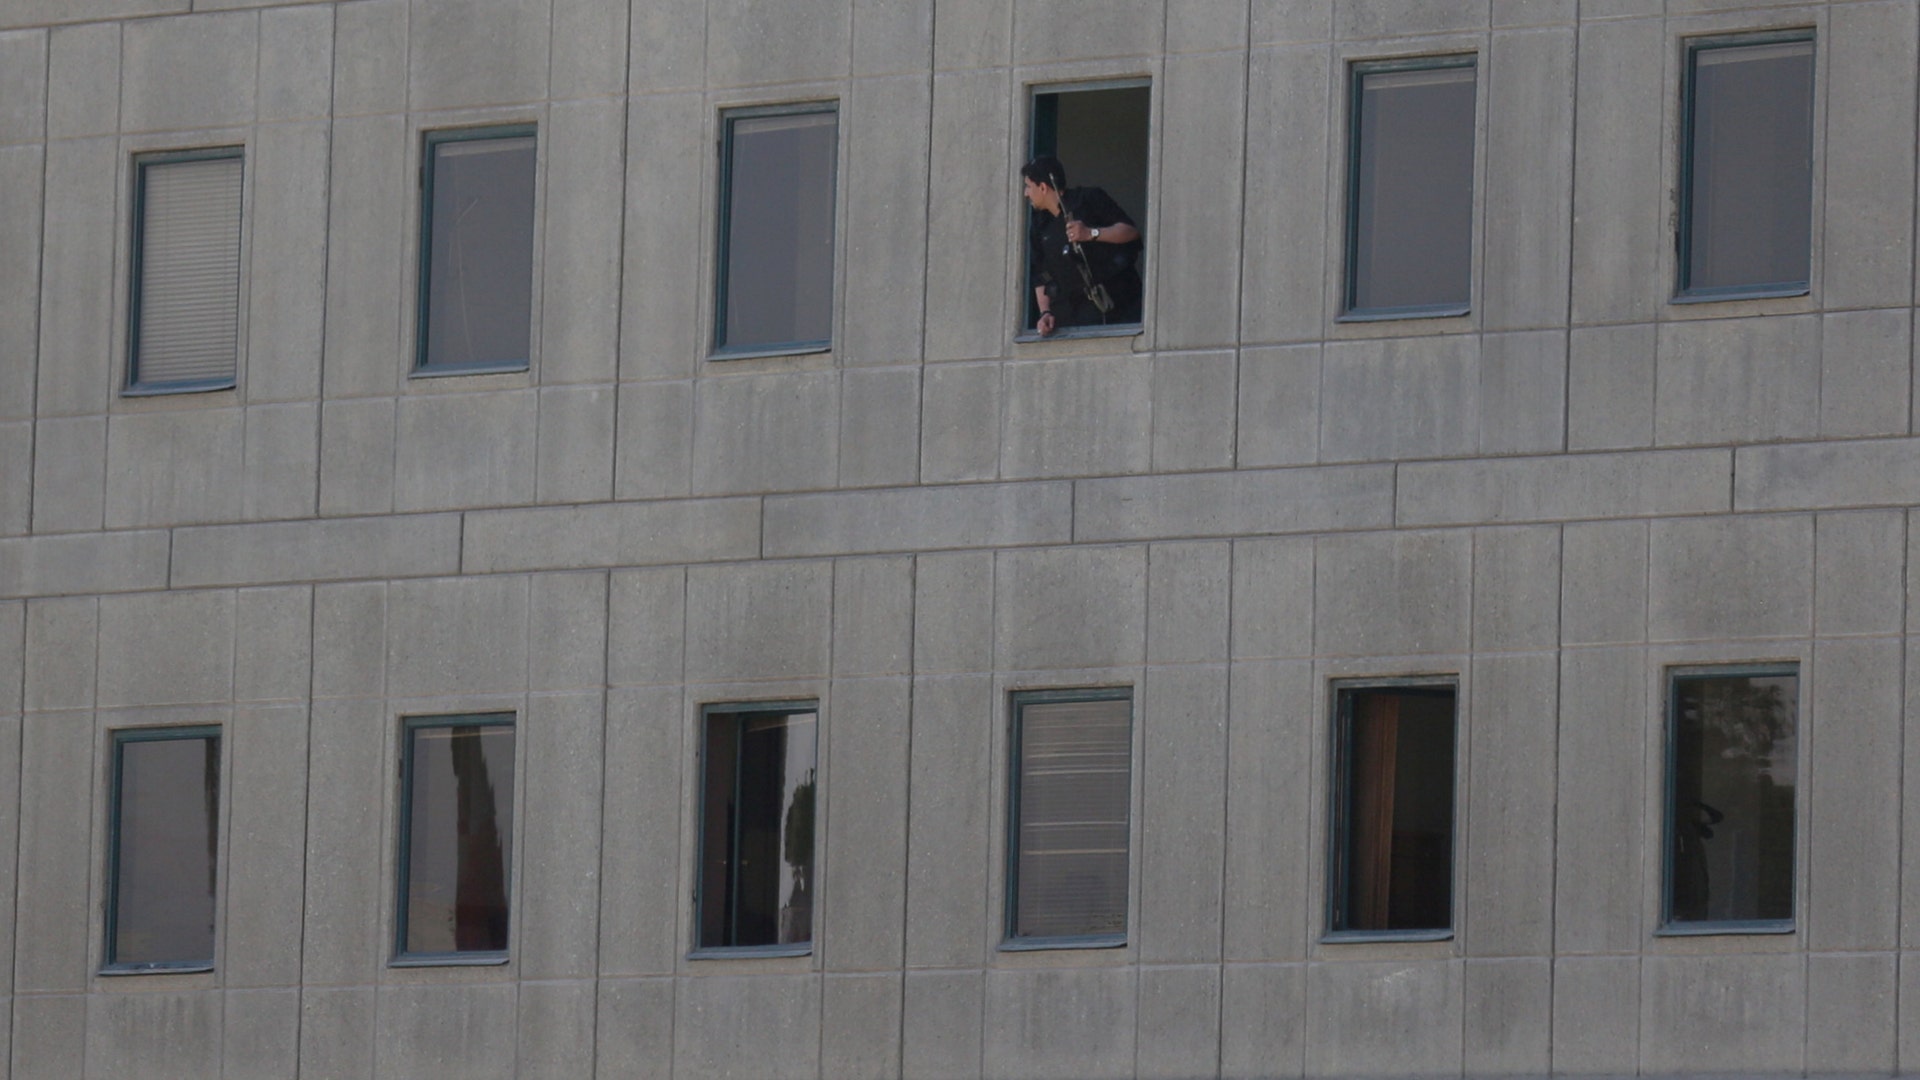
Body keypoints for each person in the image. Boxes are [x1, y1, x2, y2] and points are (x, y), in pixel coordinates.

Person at [1020, 156, 1143, 336]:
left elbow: (1130, 232)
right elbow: (1040, 274)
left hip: (1121, 311)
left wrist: (1091, 233)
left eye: (1029, 186)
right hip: (1074, 320)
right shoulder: (1040, 224)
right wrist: (1045, 312)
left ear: (1043, 187)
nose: (1026, 193)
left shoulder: (1089, 199)